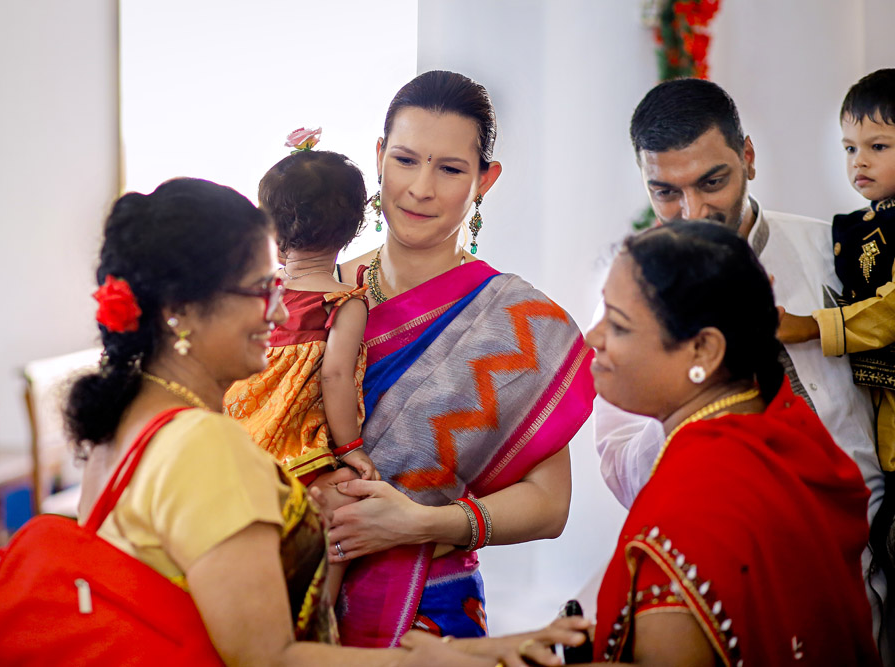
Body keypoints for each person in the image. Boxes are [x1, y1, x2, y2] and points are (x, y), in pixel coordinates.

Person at [67, 176, 584, 665]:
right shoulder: (203, 444)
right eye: (260, 290)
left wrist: (486, 648)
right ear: (181, 309)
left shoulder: (125, 419)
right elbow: (270, 657)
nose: (277, 313)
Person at [592, 78, 887, 649]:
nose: (693, 211)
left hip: (869, 555)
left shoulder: (835, 252)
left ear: (747, 157)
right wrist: (699, 386)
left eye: (712, 182)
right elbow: (623, 468)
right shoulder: (633, 292)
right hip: (734, 567)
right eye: (665, 192)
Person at [327, 70, 595, 647]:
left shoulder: (517, 323)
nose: (420, 188)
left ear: (485, 180)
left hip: (431, 611)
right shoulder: (315, 299)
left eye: (449, 169)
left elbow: (550, 507)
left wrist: (418, 522)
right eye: (404, 160)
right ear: (378, 156)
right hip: (294, 593)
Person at [777, 69, 895, 618]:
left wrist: (812, 325)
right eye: (850, 147)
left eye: (878, 146)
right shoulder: (852, 229)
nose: (859, 162)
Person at [224, 142, 379, 484]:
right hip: (287, 442)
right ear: (352, 228)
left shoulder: (256, 285)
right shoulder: (343, 302)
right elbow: (335, 377)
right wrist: (350, 447)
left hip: (230, 428)